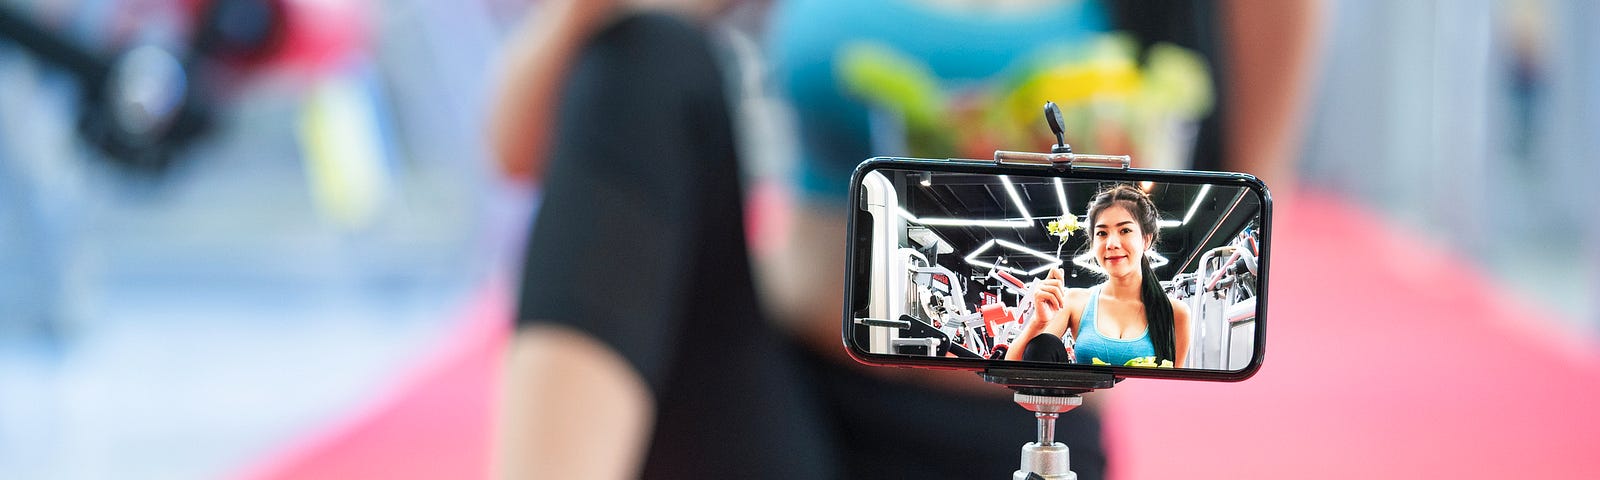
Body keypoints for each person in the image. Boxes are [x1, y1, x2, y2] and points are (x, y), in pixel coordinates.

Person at [1005, 184, 1192, 367]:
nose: (1111, 243)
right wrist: (1038, 322)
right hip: (1083, 399)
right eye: (1102, 233)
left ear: (1146, 239)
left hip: (1145, 399)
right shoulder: (1075, 302)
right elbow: (1012, 372)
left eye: (1125, 230)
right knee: (1043, 344)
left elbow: (1174, 387)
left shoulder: (1174, 312)